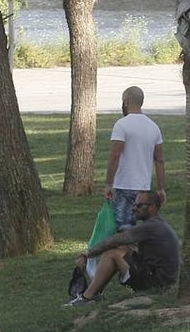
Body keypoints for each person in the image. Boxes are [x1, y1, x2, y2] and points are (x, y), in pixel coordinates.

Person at [65, 191, 180, 306]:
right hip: (161, 279)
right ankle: (94, 293)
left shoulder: (150, 226)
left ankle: (87, 297)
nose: (134, 208)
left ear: (152, 207)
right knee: (121, 248)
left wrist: (87, 254)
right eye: (134, 204)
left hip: (157, 283)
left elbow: (114, 240)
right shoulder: (158, 223)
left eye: (139, 205)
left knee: (111, 253)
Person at [105, 85, 166, 231]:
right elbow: (159, 160)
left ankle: (125, 253)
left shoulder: (121, 125)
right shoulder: (153, 127)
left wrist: (108, 183)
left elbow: (115, 155)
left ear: (126, 101)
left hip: (123, 185)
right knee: (143, 229)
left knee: (124, 227)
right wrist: (161, 188)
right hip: (144, 187)